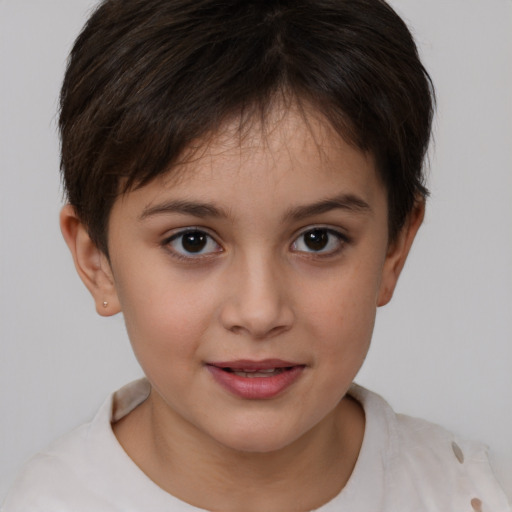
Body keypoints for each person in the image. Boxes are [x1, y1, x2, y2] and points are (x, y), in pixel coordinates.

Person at [2, 0, 510, 510]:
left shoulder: (473, 495)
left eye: (317, 239)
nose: (260, 312)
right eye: (192, 241)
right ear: (97, 263)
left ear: (394, 250)